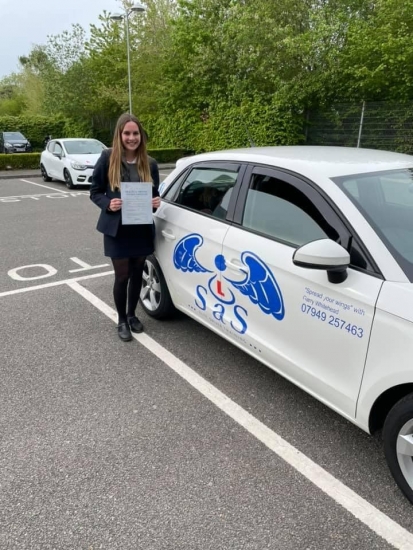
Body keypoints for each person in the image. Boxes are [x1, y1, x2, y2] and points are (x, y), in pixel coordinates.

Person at [90, 113, 161, 342]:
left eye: (135, 133)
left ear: (141, 136)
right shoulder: (107, 158)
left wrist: (156, 202)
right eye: (127, 133)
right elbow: (95, 191)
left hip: (140, 228)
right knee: (122, 276)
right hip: (117, 230)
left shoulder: (150, 163)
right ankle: (121, 320)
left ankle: (132, 315)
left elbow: (155, 194)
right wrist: (108, 204)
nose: (131, 138)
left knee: (137, 273)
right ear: (119, 135)